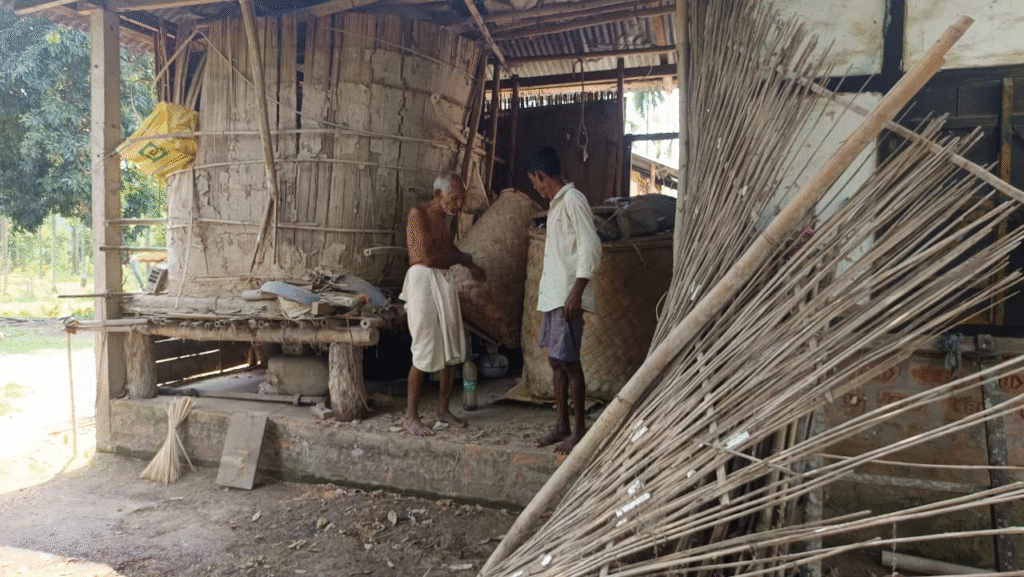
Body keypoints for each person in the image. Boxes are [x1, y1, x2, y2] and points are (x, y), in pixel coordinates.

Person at [527, 146, 602, 455]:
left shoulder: (573, 200)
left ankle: (579, 430)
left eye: (534, 182)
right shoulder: (557, 205)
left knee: (570, 363)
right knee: (556, 361)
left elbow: (590, 245)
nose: (535, 188)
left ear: (541, 175)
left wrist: (577, 290)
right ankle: (562, 425)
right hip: (554, 296)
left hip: (567, 296)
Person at [400, 172, 486, 437]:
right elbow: (429, 258)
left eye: (461, 199)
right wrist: (464, 259)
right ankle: (410, 417)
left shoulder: (446, 218)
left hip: (443, 280)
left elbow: (445, 251)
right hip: (423, 282)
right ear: (438, 195)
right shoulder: (418, 214)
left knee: (449, 347)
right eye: (454, 198)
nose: (459, 204)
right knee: (424, 347)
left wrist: (467, 262)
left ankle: (443, 410)